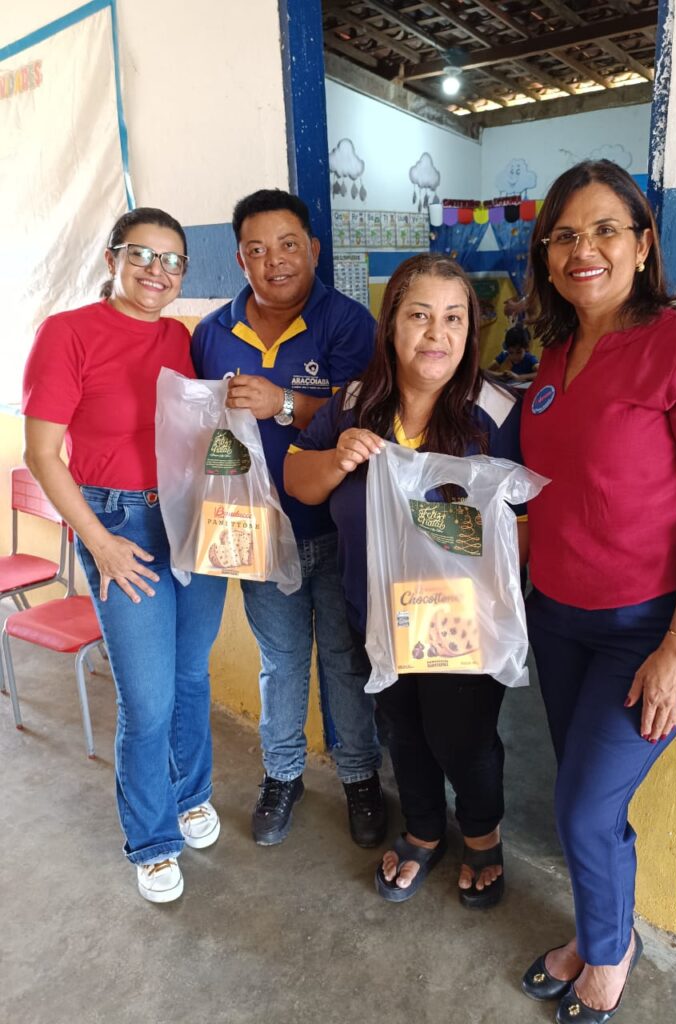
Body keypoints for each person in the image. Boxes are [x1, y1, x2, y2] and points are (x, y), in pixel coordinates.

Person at [518, 160, 676, 1022]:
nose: (583, 249)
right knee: (587, 802)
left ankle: (608, 957)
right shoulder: (552, 359)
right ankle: (600, 930)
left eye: (605, 229)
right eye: (564, 235)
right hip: (557, 620)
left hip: (648, 627)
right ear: (546, 258)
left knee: (584, 809)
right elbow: (544, 496)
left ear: (644, 244)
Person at [284, 253, 527, 908]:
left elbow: (523, 530)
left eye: (454, 318)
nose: (436, 334)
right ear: (391, 324)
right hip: (375, 613)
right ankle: (424, 829)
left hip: (461, 626)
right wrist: (337, 458)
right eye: (419, 316)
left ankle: (481, 833)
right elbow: (298, 482)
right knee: (402, 729)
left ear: (471, 330)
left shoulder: (493, 414)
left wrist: (454, 546)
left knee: (462, 737)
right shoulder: (355, 404)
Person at [22, 208, 228, 904]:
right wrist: (100, 543)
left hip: (188, 516)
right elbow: (42, 455)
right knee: (148, 697)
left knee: (191, 674)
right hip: (119, 524)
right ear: (112, 259)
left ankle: (191, 793)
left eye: (172, 260)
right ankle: (152, 839)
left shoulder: (180, 337)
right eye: (141, 254)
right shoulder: (67, 333)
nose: (156, 271)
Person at [191, 189, 385, 849]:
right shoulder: (211, 334)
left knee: (346, 658)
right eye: (257, 249)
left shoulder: (349, 324)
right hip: (257, 536)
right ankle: (282, 775)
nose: (274, 260)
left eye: (288, 245)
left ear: (313, 250)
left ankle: (360, 777)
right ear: (239, 259)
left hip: (336, 528)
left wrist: (282, 403)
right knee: (279, 661)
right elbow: (201, 428)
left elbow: (363, 415)